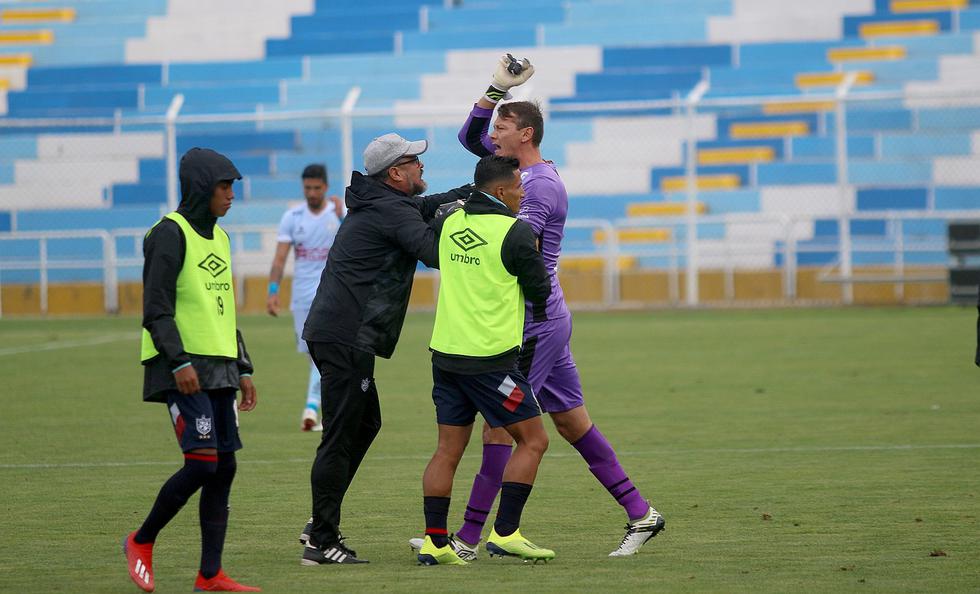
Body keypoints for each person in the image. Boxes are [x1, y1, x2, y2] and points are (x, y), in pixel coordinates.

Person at [451, 56, 666, 557]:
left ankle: (467, 539)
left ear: (524, 134)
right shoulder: (512, 171)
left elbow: (517, 245)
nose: (493, 134)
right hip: (546, 319)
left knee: (501, 426)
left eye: (502, 125)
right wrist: (494, 89)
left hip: (535, 323)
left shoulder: (539, 187)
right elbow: (468, 138)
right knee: (570, 422)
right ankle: (641, 513)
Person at [299, 133, 469, 565]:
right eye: (415, 161)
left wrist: (472, 194)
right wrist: (459, 218)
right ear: (395, 173)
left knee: (365, 423)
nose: (421, 167)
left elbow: (427, 207)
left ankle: (321, 520)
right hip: (345, 335)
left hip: (341, 333)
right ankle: (321, 539)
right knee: (340, 436)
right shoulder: (390, 211)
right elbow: (434, 251)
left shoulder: (385, 203)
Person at [124, 148, 260, 592]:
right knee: (201, 463)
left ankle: (210, 574)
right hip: (180, 366)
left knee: (224, 469)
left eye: (233, 187)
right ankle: (141, 541)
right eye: (224, 186)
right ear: (201, 187)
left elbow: (221, 311)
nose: (231, 195)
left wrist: (242, 366)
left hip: (218, 367)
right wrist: (178, 360)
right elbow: (156, 307)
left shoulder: (220, 238)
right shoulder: (168, 233)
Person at [415, 155, 554, 566]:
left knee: (446, 451)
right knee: (534, 440)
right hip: (491, 363)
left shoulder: (449, 222)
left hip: (446, 356)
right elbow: (541, 291)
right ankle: (506, 533)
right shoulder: (515, 232)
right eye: (517, 186)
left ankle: (434, 543)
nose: (523, 192)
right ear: (499, 191)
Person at [266, 164, 344, 432]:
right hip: (301, 298)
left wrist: (344, 216)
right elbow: (279, 259)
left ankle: (312, 407)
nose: (312, 193)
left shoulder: (338, 214)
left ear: (325, 186)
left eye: (316, 188)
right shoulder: (292, 217)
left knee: (324, 353)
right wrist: (273, 292)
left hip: (331, 295)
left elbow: (355, 239)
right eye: (308, 188)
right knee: (315, 355)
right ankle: (323, 410)